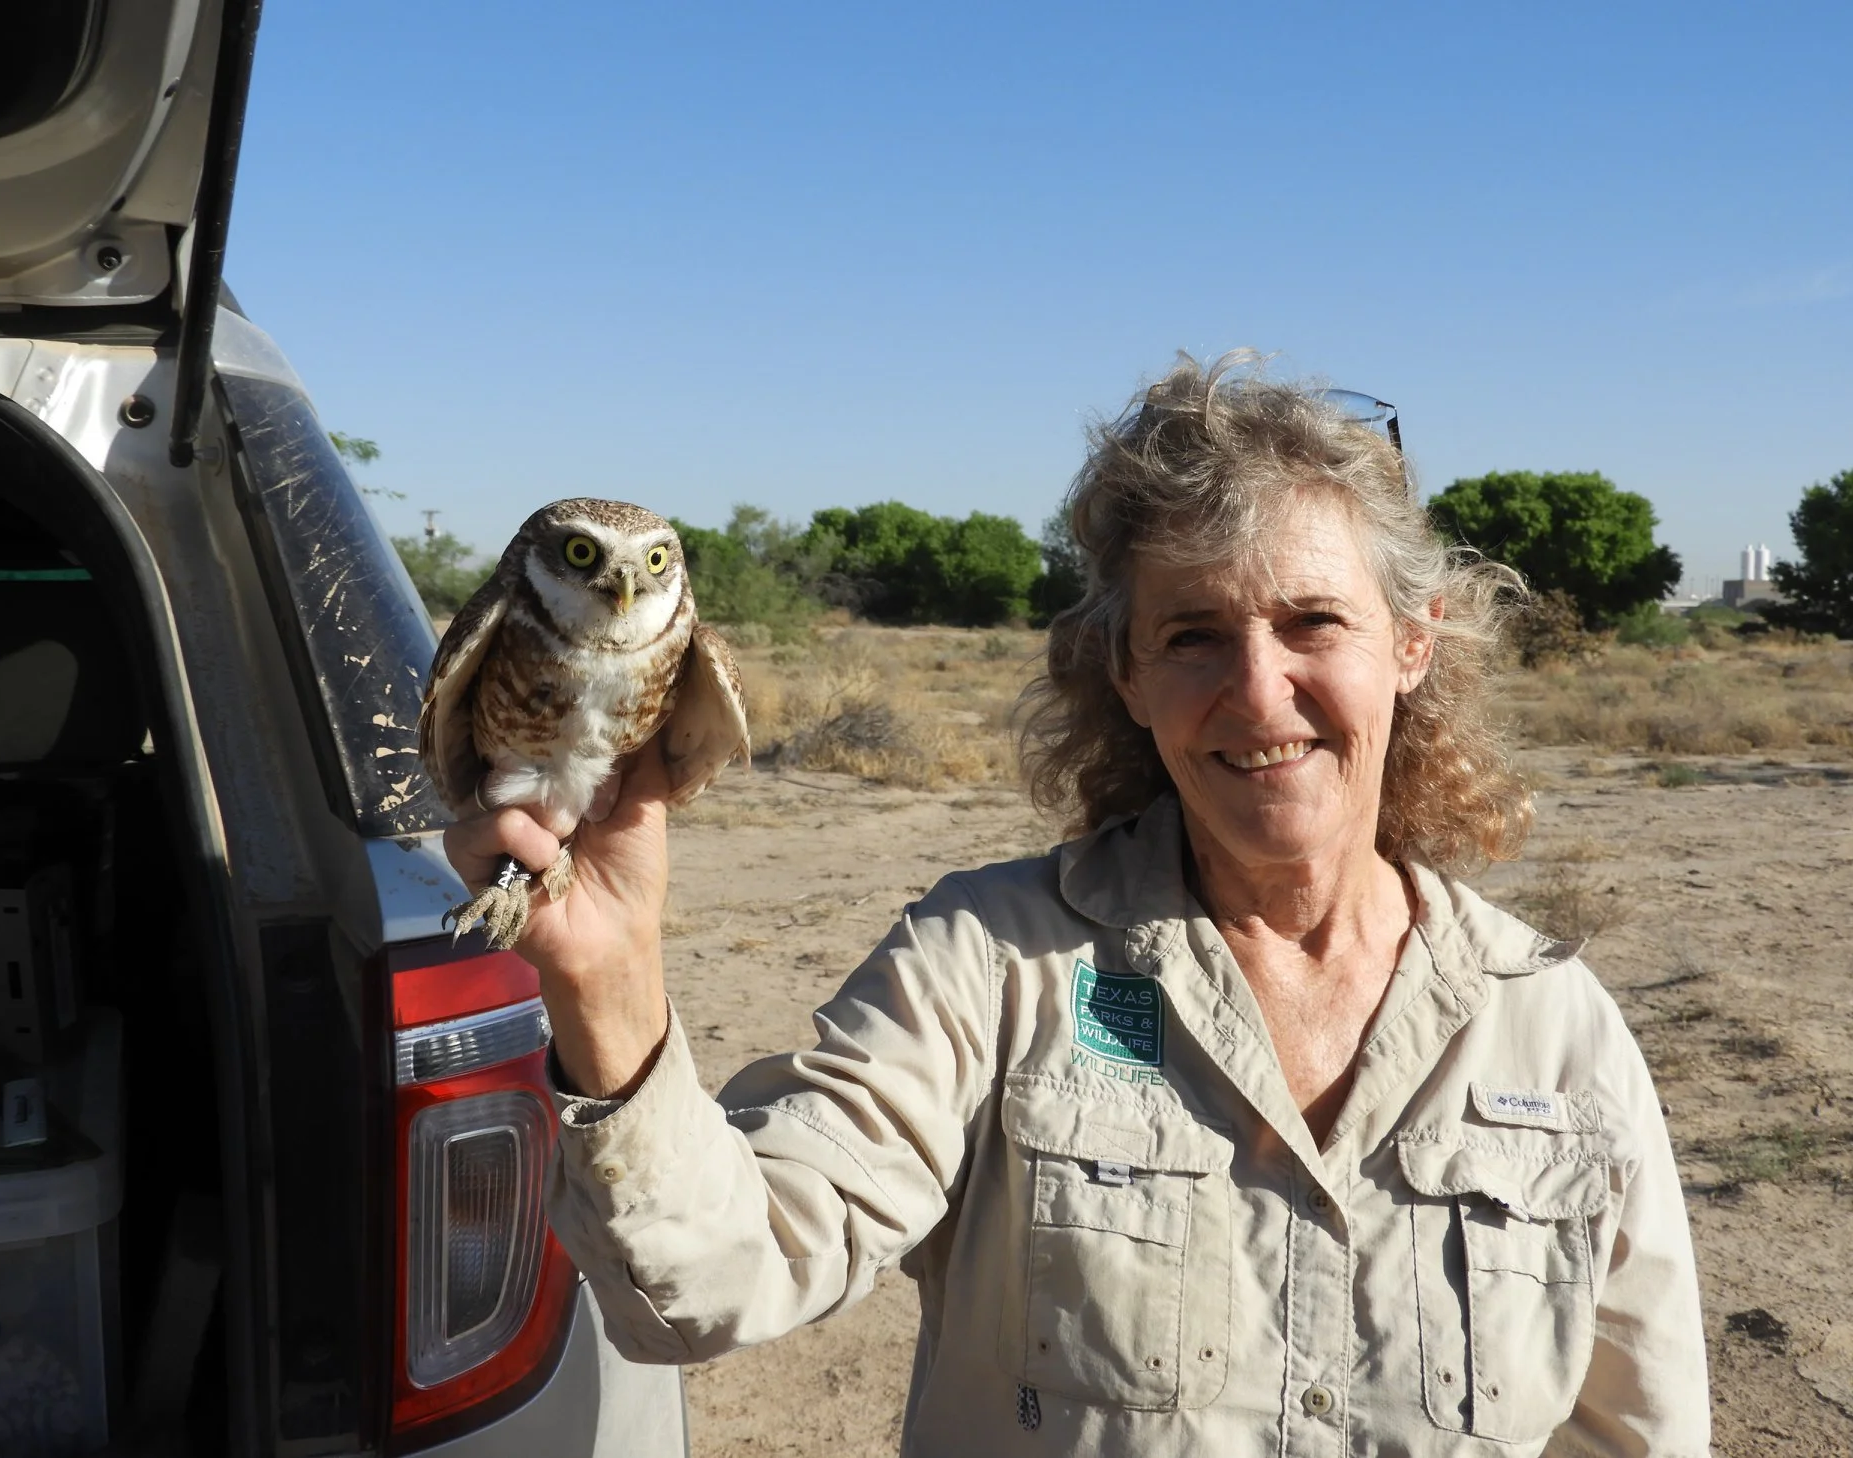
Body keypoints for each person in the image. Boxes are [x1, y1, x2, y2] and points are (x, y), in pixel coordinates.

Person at [444, 353, 1709, 1456]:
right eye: (1195, 636)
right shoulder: (989, 966)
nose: (1260, 695)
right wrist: (607, 979)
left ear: (1414, 643)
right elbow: (721, 1277)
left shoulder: (1555, 1031)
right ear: (1127, 672)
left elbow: (1636, 1432)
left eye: (1314, 623)